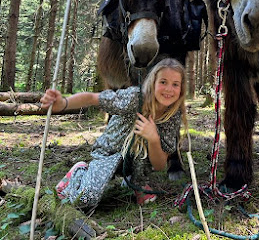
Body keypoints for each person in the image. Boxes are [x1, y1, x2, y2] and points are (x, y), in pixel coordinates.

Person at [40, 58, 187, 209]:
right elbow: (93, 98)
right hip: (110, 152)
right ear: (153, 82)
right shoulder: (135, 98)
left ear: (181, 89)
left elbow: (160, 164)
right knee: (85, 200)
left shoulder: (172, 116)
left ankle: (137, 182)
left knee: (143, 150)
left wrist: (154, 139)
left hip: (137, 160)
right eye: (163, 82)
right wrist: (64, 103)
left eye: (175, 84)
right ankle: (79, 171)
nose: (169, 89)